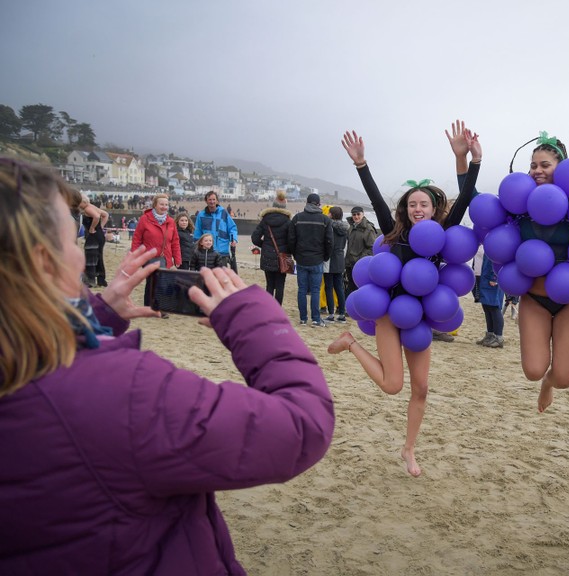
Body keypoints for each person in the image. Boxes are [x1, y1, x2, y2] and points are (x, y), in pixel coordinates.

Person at [0, 157, 335, 574]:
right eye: (72, 238)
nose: (81, 250)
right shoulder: (124, 395)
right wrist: (254, 319)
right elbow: (302, 427)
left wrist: (94, 315)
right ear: (44, 262)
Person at [450, 103, 569, 412]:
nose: (537, 171)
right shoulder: (520, 204)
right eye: (533, 165)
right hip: (535, 299)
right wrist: (462, 158)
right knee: (532, 370)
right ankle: (542, 380)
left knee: (564, 378)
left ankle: (550, 386)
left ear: (563, 167)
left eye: (545, 164)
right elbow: (473, 202)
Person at [328, 123, 481, 477]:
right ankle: (351, 342)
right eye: (412, 204)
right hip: (389, 312)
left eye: (423, 204)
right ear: (405, 210)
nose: (417, 209)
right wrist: (361, 164)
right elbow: (378, 199)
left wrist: (472, 161)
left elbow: (466, 203)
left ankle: (409, 450)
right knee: (392, 386)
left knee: (422, 388)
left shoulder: (441, 235)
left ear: (433, 208)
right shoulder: (393, 232)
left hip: (421, 316)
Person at [288, 193, 334, 327]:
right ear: (318, 204)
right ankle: (315, 318)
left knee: (302, 289)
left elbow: (291, 239)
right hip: (317, 259)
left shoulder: (297, 218)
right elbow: (329, 241)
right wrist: (326, 256)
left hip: (301, 259)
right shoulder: (325, 220)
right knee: (315, 290)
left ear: (307, 203)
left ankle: (303, 319)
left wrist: (295, 254)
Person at [132, 193, 181, 307]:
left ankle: (154, 305)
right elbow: (137, 238)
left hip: (165, 257)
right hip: (149, 256)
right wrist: (134, 256)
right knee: (155, 280)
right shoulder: (145, 219)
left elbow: (175, 241)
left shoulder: (170, 222)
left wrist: (177, 259)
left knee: (160, 281)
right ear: (155, 205)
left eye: (166, 204)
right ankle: (154, 306)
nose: (164, 207)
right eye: (161, 204)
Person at [251, 191, 293, 304]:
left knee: (269, 285)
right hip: (283, 257)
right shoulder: (288, 222)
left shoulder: (265, 219)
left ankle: (268, 308)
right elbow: (291, 241)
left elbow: (255, 238)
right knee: (280, 286)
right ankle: (277, 309)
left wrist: (264, 245)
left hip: (267, 256)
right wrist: (289, 251)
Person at [193, 191, 238, 271]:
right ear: (206, 201)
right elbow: (197, 233)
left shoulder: (224, 213)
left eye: (214, 199)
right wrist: (197, 249)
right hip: (206, 252)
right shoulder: (201, 215)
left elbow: (232, 228)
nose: (212, 201)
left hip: (222, 251)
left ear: (217, 201)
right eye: (209, 199)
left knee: (222, 277)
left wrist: (233, 239)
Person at [324, 205, 349, 322]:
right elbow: (345, 246)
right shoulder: (345, 229)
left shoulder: (329, 227)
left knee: (329, 287)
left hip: (329, 259)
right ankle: (342, 314)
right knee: (339, 287)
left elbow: (328, 244)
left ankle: (331, 314)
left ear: (331, 215)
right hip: (340, 259)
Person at [345, 205, 377, 295]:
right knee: (351, 288)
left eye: (358, 214)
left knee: (359, 289)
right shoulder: (351, 227)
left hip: (360, 265)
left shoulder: (368, 229)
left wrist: (359, 260)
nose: (356, 216)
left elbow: (372, 248)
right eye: (354, 214)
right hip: (349, 264)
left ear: (363, 214)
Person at [477, 254, 505, 347]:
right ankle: (490, 334)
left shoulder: (499, 242)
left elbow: (499, 258)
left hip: (492, 278)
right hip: (486, 276)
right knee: (487, 307)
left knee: (494, 307)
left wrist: (494, 277)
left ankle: (498, 337)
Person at [83, 203, 109, 288]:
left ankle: (91, 280)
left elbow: (97, 217)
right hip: (99, 235)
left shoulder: (87, 208)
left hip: (93, 235)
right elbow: (105, 215)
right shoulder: (93, 207)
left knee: (90, 256)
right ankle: (101, 280)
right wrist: (100, 227)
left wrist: (92, 228)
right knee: (99, 257)